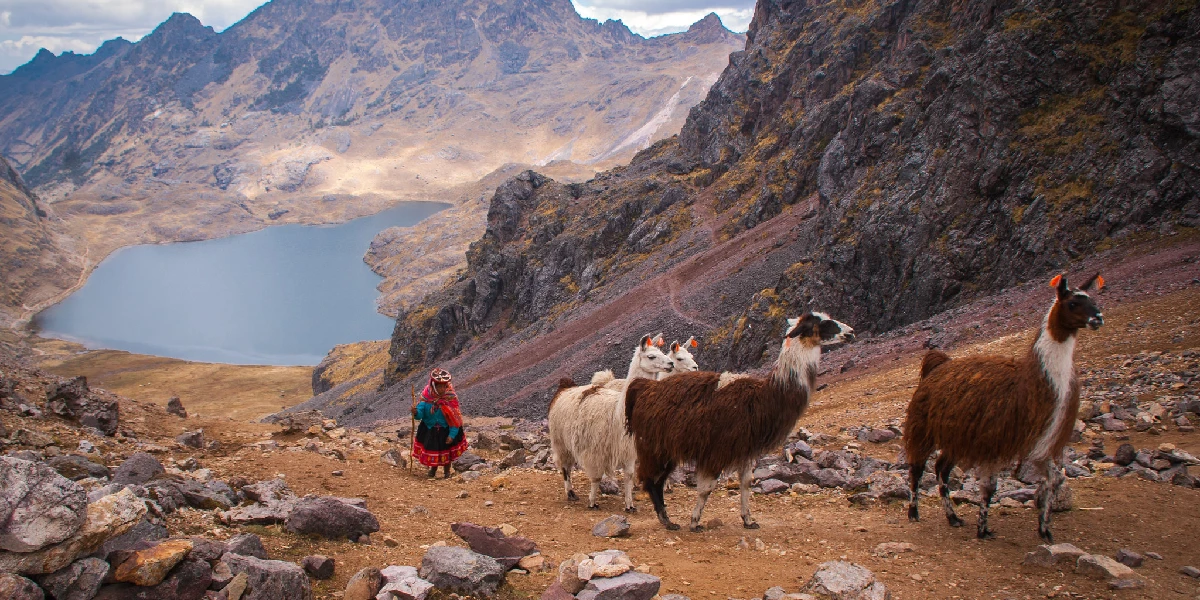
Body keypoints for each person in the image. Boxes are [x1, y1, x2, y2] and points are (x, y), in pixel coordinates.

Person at [412, 368, 469, 478]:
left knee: (446, 452)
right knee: (435, 450)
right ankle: (433, 471)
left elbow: (455, 419)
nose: (442, 389)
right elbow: (420, 415)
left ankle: (447, 472)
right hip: (431, 430)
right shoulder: (426, 398)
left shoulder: (450, 398)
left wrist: (452, 435)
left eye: (444, 386)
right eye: (439, 386)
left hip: (445, 430)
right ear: (433, 386)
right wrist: (415, 412)